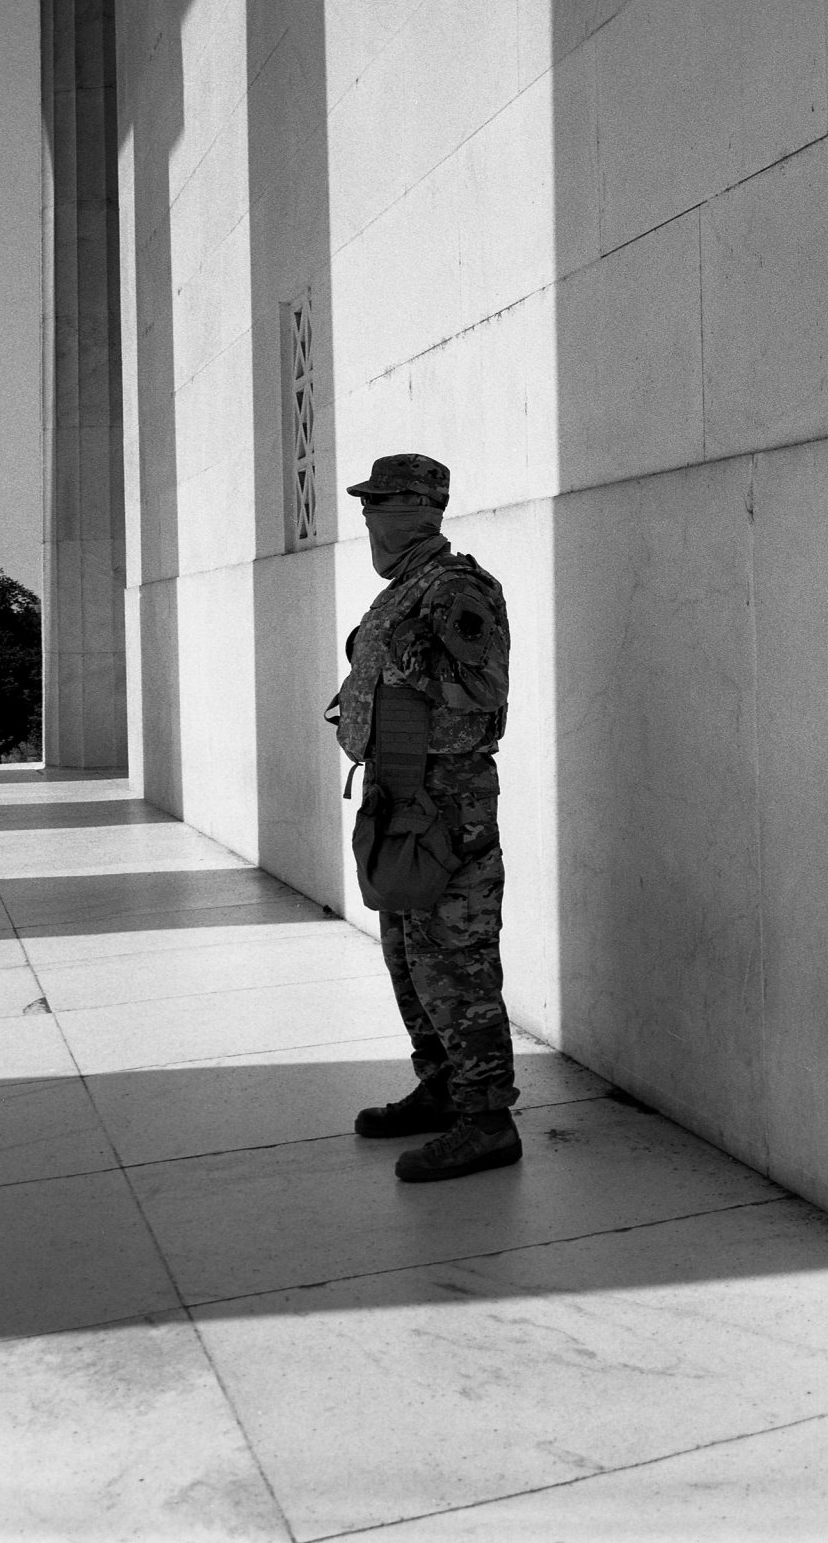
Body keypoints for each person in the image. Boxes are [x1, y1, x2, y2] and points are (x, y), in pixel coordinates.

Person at [329, 454, 522, 1183]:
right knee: (408, 954)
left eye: (383, 502)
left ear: (421, 508)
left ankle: (486, 1118)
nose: (372, 515)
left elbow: (486, 687)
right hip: (399, 792)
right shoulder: (404, 589)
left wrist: (415, 670)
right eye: (369, 502)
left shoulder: (456, 588)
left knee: (455, 957)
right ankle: (443, 1085)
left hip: (448, 799)